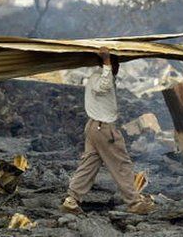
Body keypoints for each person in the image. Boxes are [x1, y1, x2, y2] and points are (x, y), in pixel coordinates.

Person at [61, 47, 155, 215]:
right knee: (122, 164)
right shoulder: (101, 77)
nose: (116, 66)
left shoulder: (96, 77)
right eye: (114, 62)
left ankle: (71, 199)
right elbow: (103, 86)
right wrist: (106, 60)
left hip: (94, 127)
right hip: (104, 129)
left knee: (89, 164)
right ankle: (134, 203)